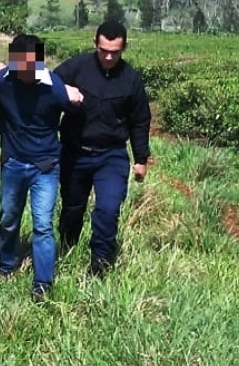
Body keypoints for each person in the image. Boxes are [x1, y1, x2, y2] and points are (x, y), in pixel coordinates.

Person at [0, 34, 83, 301]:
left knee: (43, 225)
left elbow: (79, 104)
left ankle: (42, 284)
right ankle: (6, 265)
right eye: (19, 65)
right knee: (8, 219)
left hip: (45, 167)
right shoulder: (2, 82)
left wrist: (77, 95)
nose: (25, 70)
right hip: (13, 162)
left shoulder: (54, 88)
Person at [54, 20, 153, 277]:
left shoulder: (131, 79)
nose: (109, 57)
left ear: (124, 48)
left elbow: (140, 120)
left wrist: (141, 159)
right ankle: (67, 248)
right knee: (72, 209)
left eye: (115, 52)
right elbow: (48, 84)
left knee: (108, 209)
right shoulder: (76, 67)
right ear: (95, 44)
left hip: (111, 155)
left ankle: (100, 262)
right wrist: (64, 89)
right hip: (75, 152)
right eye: (103, 50)